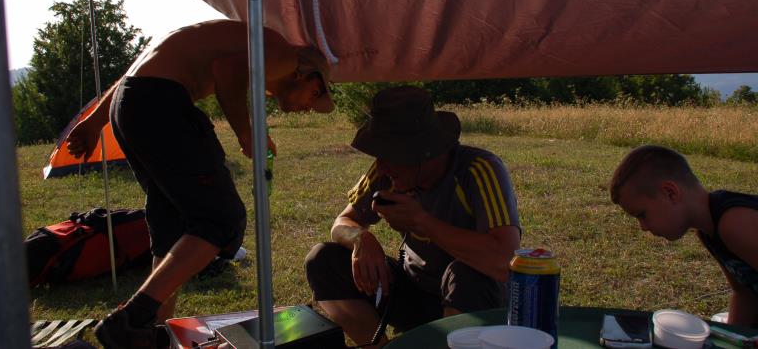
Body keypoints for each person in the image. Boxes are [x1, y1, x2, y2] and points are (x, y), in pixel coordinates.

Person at [65, 19, 334, 349]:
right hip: (160, 103)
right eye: (316, 93)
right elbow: (227, 72)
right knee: (221, 219)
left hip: (131, 104)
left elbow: (135, 74)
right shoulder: (285, 55)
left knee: (173, 227)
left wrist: (94, 122)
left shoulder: (236, 45)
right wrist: (247, 134)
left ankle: (150, 335)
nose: (310, 106)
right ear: (303, 73)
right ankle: (130, 321)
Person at [304, 86, 521, 348]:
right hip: (412, 289)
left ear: (421, 152)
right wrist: (360, 238)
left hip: (473, 300)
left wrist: (421, 222)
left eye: (388, 154)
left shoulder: (478, 170)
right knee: (322, 259)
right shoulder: (386, 172)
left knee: (465, 274)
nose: (380, 165)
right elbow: (342, 223)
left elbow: (505, 260)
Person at [610, 145, 758, 328]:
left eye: (642, 214)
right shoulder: (707, 232)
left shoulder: (734, 223)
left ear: (670, 193)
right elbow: (745, 295)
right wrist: (733, 336)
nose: (643, 227)